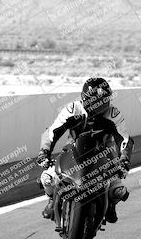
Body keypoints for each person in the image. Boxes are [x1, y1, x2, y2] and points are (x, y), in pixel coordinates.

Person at [37, 77, 134, 223]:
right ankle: (52, 200)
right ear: (84, 98)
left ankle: (111, 204)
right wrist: (44, 152)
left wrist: (124, 160)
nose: (99, 105)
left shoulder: (113, 113)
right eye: (94, 101)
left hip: (104, 154)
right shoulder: (72, 109)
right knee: (47, 178)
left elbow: (125, 139)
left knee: (118, 191)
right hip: (72, 151)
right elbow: (52, 132)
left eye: (103, 100)